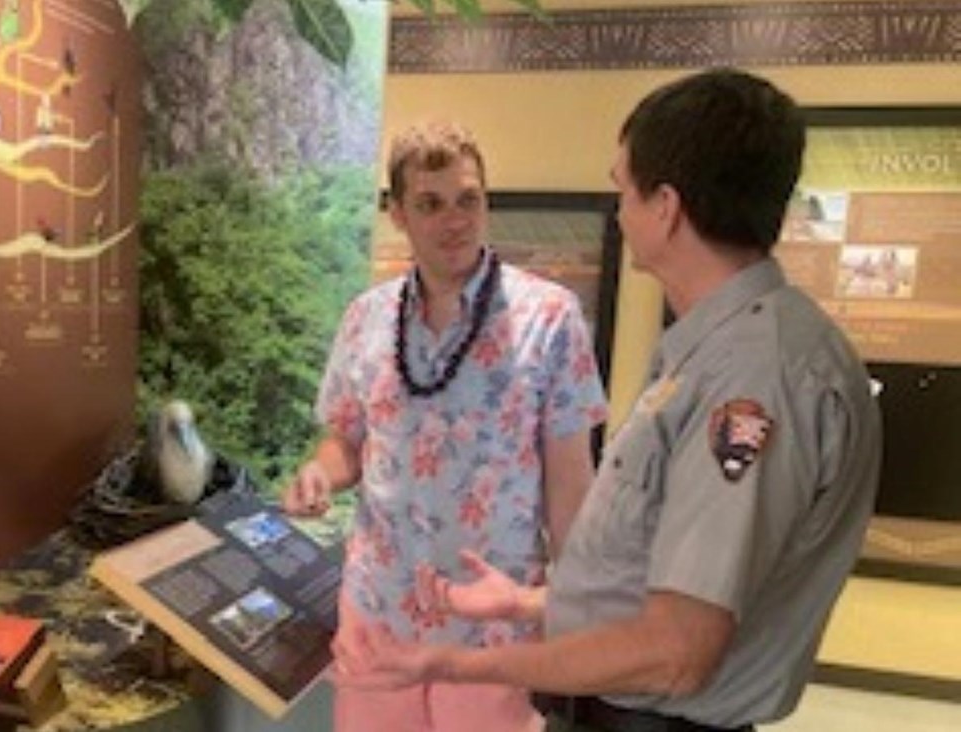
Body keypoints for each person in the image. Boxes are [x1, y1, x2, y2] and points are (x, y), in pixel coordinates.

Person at [334, 68, 883, 732]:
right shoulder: (716, 355)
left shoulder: (755, 379)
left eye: (621, 188)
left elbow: (677, 652)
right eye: (427, 204)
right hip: (476, 634)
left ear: (666, 207)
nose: (618, 210)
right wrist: (532, 603)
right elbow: (649, 571)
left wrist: (457, 665)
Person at [282, 120, 607, 732]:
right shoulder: (365, 319)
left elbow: (570, 482)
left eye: (468, 200)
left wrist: (578, 608)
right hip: (379, 609)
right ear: (399, 214)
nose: (454, 220)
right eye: (430, 204)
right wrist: (318, 474)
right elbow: (346, 442)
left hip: (491, 620)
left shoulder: (549, 318)